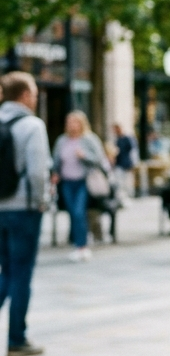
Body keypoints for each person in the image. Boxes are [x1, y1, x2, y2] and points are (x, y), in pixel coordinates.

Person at [1, 73, 51, 356]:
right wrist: (42, 201)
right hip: (24, 208)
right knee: (21, 273)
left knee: (5, 271)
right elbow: (36, 171)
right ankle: (17, 339)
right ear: (24, 95)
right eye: (33, 92)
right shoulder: (32, 125)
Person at [51, 111, 110, 262]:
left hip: (84, 181)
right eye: (69, 122)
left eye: (75, 122)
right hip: (67, 182)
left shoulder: (89, 139)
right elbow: (56, 161)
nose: (71, 125)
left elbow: (99, 159)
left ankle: (82, 246)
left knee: (79, 212)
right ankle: (79, 242)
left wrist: (84, 156)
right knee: (73, 213)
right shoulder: (62, 140)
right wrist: (55, 173)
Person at [110, 123, 135, 201]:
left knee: (125, 181)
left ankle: (126, 197)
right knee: (119, 182)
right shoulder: (117, 139)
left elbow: (132, 150)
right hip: (119, 163)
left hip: (125, 163)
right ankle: (122, 198)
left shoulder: (126, 138)